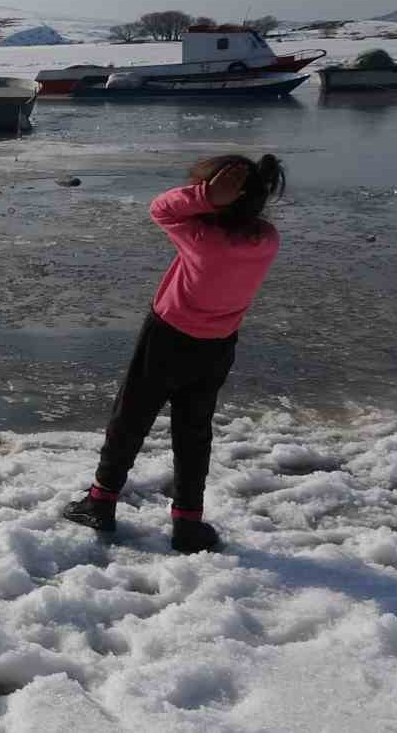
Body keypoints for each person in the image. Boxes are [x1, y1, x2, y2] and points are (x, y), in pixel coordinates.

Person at [63, 155, 286, 553]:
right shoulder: (265, 240)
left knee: (130, 417)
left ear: (220, 199)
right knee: (194, 432)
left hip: (167, 337)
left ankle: (100, 502)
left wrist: (205, 196)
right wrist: (223, 200)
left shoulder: (200, 236)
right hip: (218, 345)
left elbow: (160, 207)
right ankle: (187, 523)